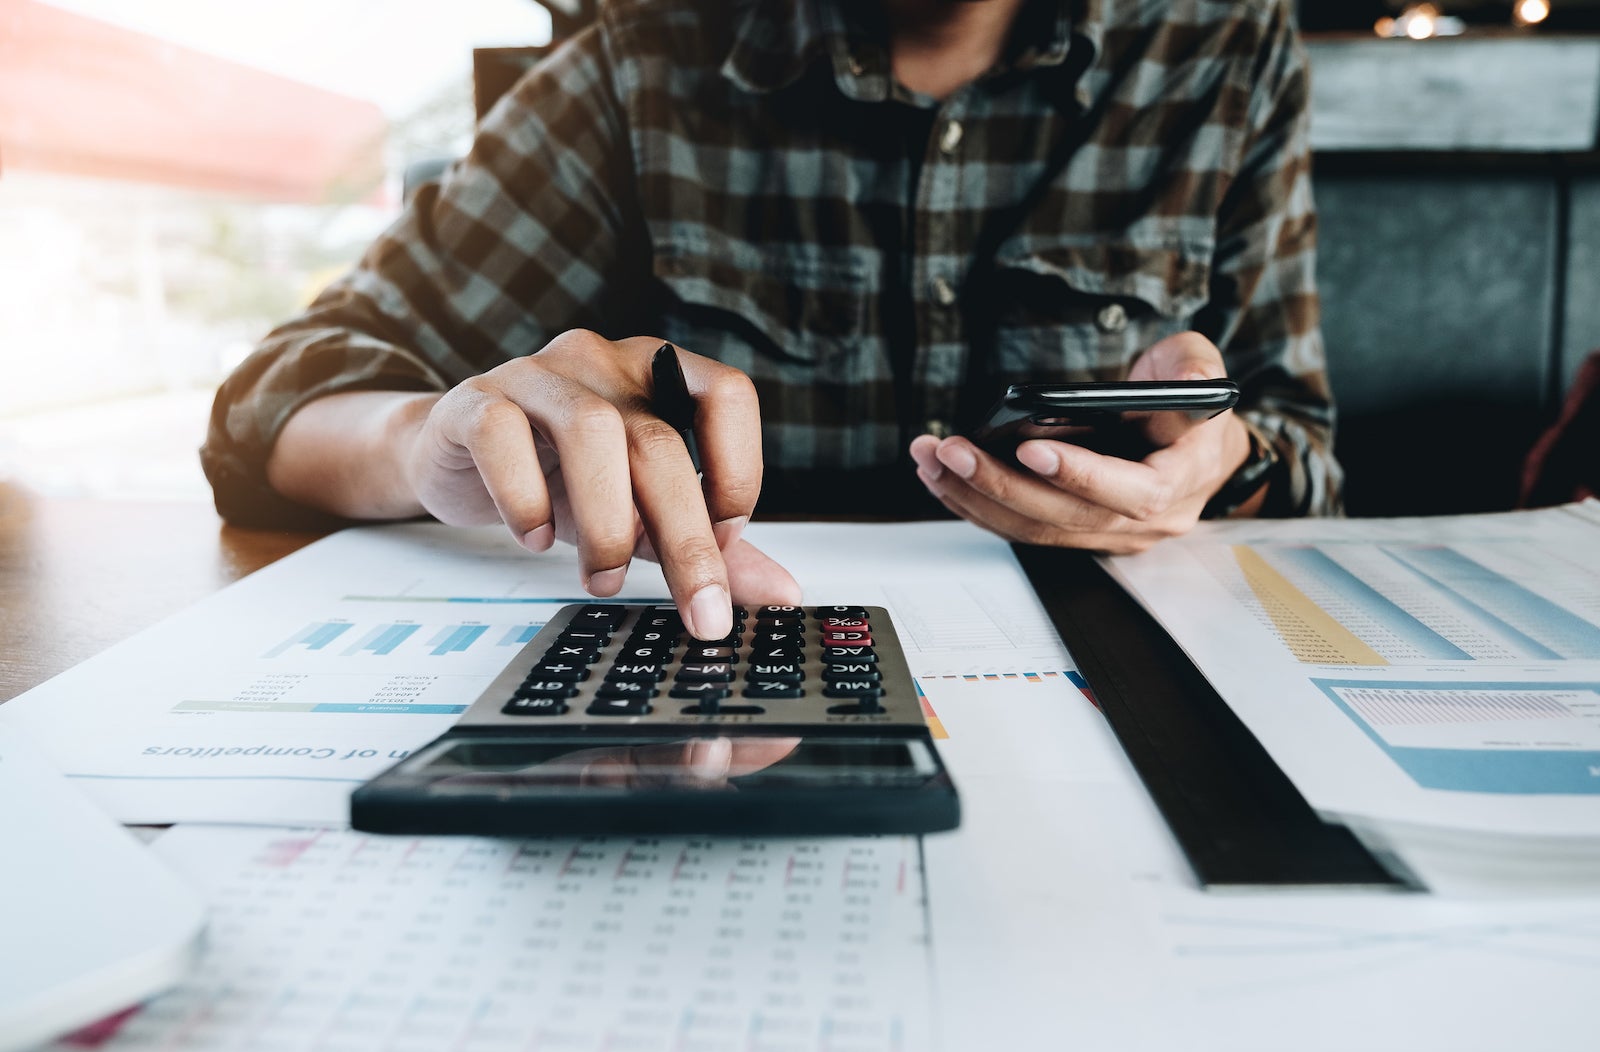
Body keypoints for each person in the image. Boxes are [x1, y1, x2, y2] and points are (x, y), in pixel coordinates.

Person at [203, 0, 1341, 642]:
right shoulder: (643, 64)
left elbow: (1301, 448)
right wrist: (424, 440)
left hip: (1132, 679)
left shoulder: (1223, 51)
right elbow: (271, 407)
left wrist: (1216, 465)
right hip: (707, 674)